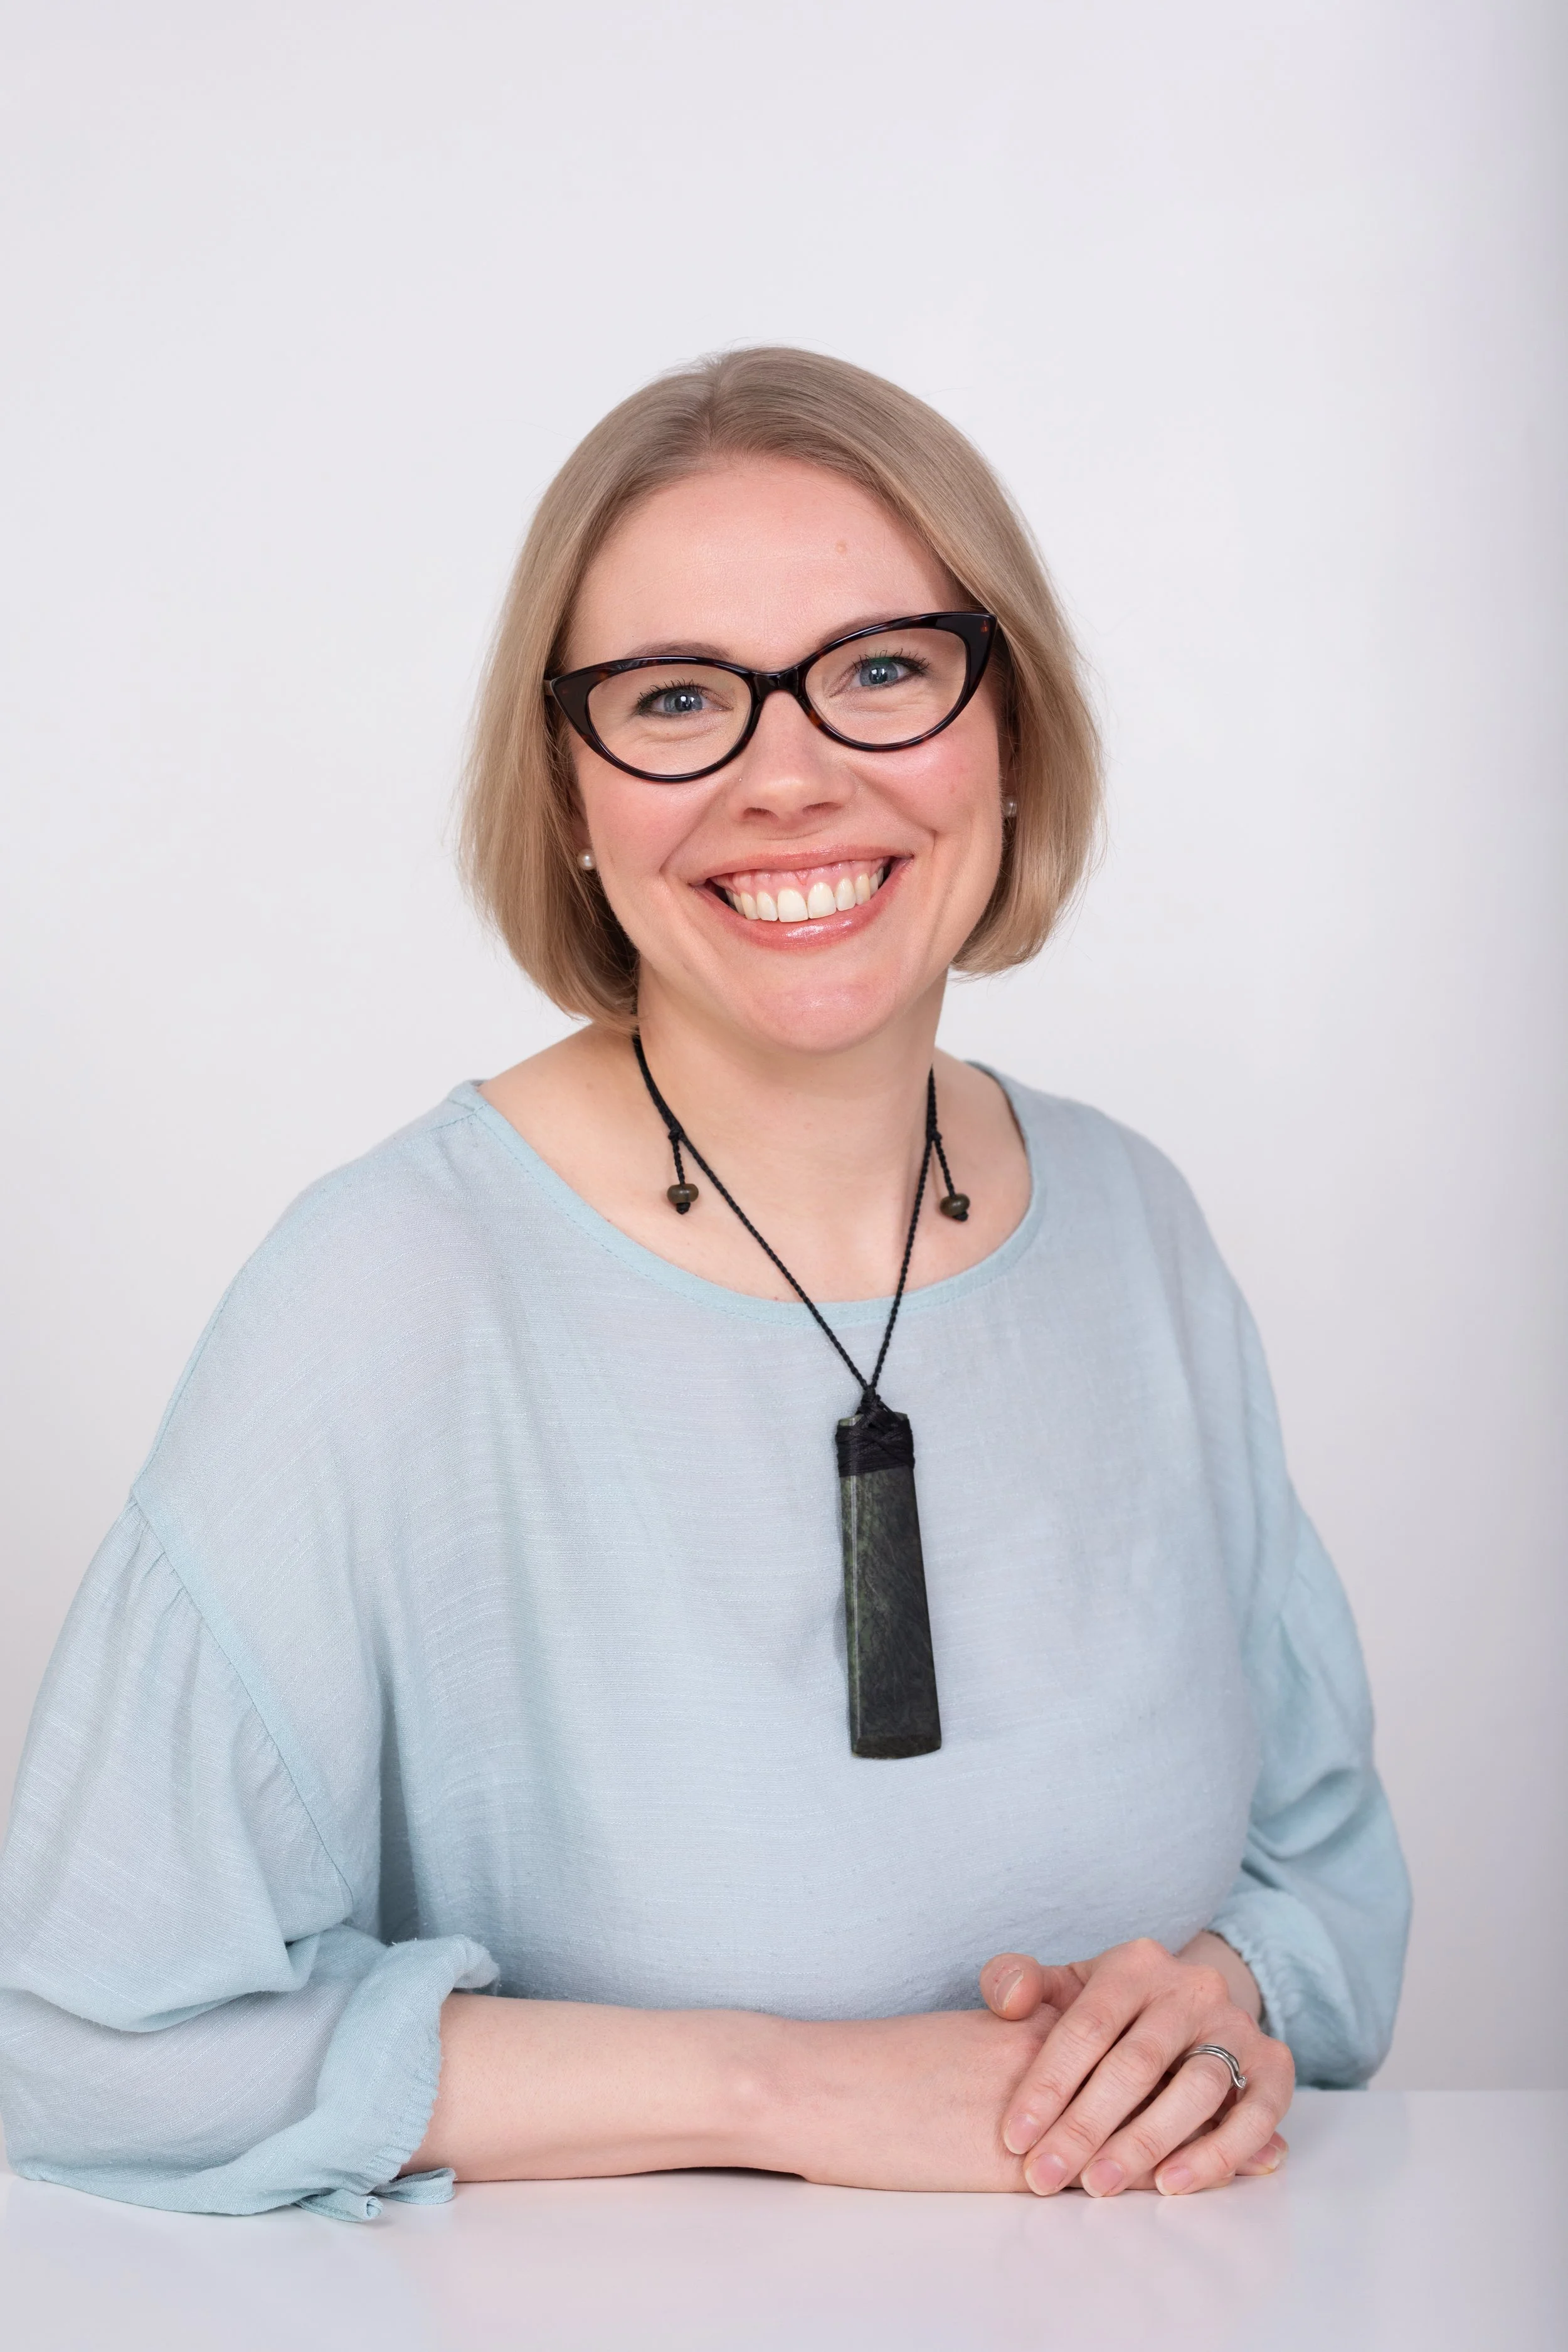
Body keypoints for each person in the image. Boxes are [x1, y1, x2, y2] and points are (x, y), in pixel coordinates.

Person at [0, 348, 1409, 2221]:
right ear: (571, 789)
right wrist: (794, 2089)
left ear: (1010, 725)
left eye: (883, 668)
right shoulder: (386, 1297)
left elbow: (1329, 1890)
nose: (791, 773)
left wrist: (1199, 2012)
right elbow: (79, 2039)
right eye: (676, 697)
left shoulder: (1139, 1230)